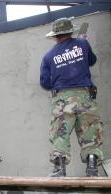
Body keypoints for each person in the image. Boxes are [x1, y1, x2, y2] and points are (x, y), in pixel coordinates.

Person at [40, 18, 103, 177]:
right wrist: (83, 46)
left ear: (55, 36)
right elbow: (92, 61)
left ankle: (59, 169)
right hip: (84, 96)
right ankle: (92, 168)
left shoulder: (48, 56)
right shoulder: (82, 44)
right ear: (71, 31)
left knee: (60, 133)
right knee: (90, 132)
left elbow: (45, 83)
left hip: (62, 99)